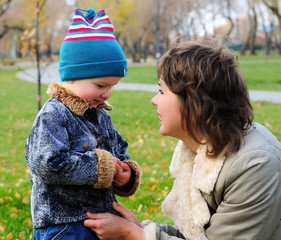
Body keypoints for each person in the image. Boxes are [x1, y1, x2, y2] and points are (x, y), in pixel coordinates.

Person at [84, 37, 281, 240]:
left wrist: (133, 235)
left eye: (162, 91)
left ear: (195, 101)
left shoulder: (255, 164)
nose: (154, 100)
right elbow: (197, 235)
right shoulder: (200, 148)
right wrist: (140, 230)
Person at [25, 7, 141, 240]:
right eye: (100, 86)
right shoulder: (54, 115)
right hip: (63, 226)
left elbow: (119, 152)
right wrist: (101, 168)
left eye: (112, 86)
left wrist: (126, 174)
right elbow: (48, 164)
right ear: (72, 77)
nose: (107, 93)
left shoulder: (101, 117)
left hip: (102, 222)